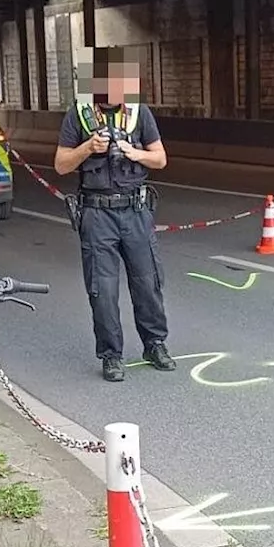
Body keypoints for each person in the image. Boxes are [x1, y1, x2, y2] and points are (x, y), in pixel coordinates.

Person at [53, 47, 177, 382]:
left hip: (135, 210)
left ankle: (155, 344)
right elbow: (61, 164)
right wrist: (87, 148)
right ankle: (111, 355)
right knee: (102, 289)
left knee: (147, 282)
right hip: (97, 213)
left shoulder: (140, 114)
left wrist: (132, 151)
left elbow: (161, 159)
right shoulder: (77, 115)